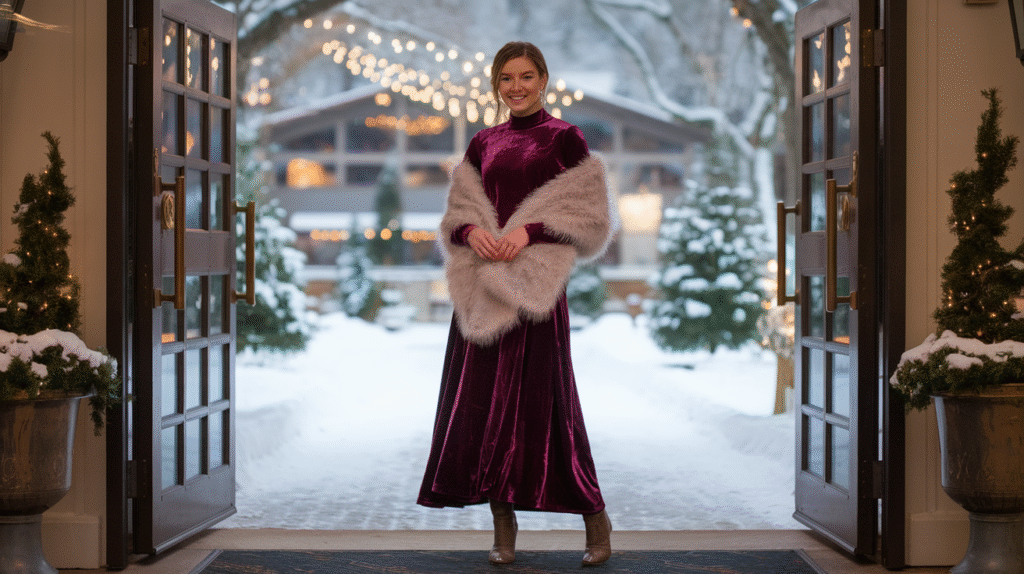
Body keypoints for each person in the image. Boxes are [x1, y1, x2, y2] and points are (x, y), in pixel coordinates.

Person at [417, 41, 617, 566]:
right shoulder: (483, 142)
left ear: (544, 78)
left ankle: (596, 521)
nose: (517, 87)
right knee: (483, 411)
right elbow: (456, 214)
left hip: (536, 298)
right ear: (496, 85)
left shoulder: (565, 139)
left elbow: (590, 217)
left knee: (549, 408)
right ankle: (503, 533)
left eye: (526, 76)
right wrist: (469, 232)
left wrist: (529, 230)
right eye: (507, 78)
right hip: (483, 295)